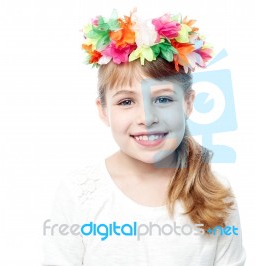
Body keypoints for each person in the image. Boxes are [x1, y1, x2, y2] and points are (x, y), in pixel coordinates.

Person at [41, 9, 246, 266]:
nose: (147, 118)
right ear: (104, 110)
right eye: (126, 101)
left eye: (162, 99)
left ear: (188, 103)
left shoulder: (216, 192)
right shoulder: (79, 194)